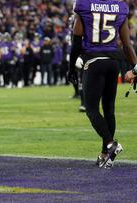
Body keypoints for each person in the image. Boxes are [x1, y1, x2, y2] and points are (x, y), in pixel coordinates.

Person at [67, 0, 137, 168]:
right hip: (113, 62)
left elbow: (76, 41)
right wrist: (135, 67)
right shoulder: (119, 7)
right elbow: (127, 45)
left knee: (91, 109)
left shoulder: (84, 6)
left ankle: (110, 144)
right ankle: (105, 155)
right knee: (109, 110)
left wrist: (71, 69)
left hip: (94, 60)